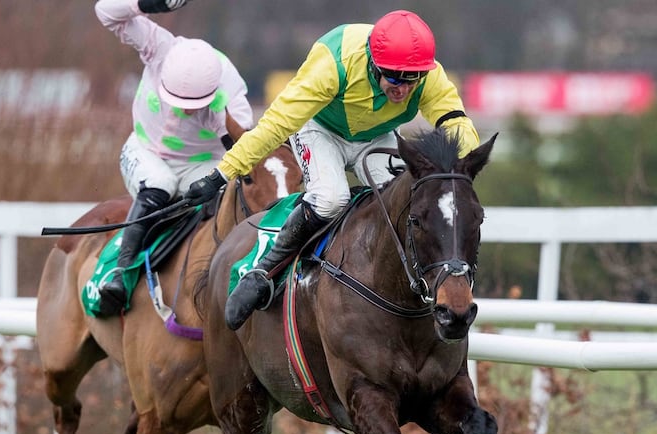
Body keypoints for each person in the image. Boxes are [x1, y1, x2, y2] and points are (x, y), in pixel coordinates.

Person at [186, 9, 481, 330]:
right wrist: (222, 174)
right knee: (331, 198)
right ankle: (264, 269)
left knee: (409, 202)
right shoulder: (333, 65)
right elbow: (274, 125)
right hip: (319, 129)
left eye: (412, 79)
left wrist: (461, 166)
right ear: (372, 63)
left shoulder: (426, 73)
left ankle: (419, 290)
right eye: (393, 77)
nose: (402, 89)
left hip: (376, 135)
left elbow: (456, 124)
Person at [94, 0, 254, 316]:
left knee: (226, 195)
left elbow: (244, 153)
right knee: (159, 183)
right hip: (144, 149)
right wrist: (144, 4)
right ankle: (121, 273)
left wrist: (218, 179)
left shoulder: (229, 98)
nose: (183, 110)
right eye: (176, 101)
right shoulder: (159, 47)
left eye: (192, 105)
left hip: (202, 163)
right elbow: (104, 12)